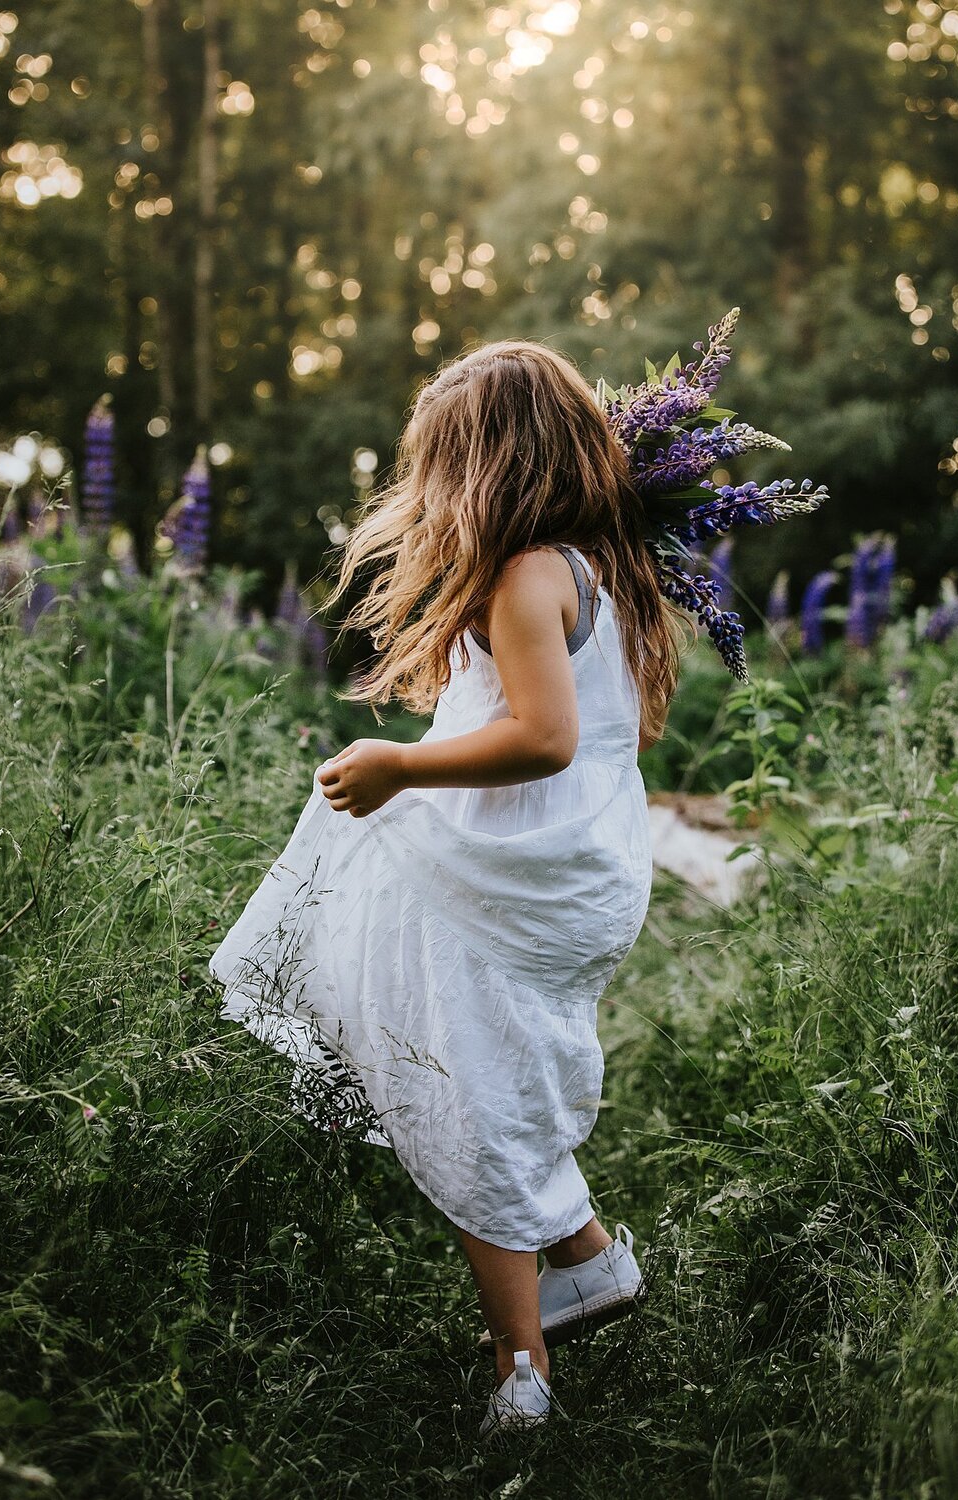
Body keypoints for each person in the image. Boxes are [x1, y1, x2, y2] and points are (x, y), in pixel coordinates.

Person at [209, 339, 685, 1437]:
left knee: (464, 1091)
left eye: (438, 463)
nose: (424, 489)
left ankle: (524, 1373)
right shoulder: (599, 568)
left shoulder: (526, 575)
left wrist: (402, 766)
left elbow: (547, 737)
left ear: (488, 466)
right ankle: (585, 1261)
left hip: (510, 876)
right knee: (482, 1068)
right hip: (566, 869)